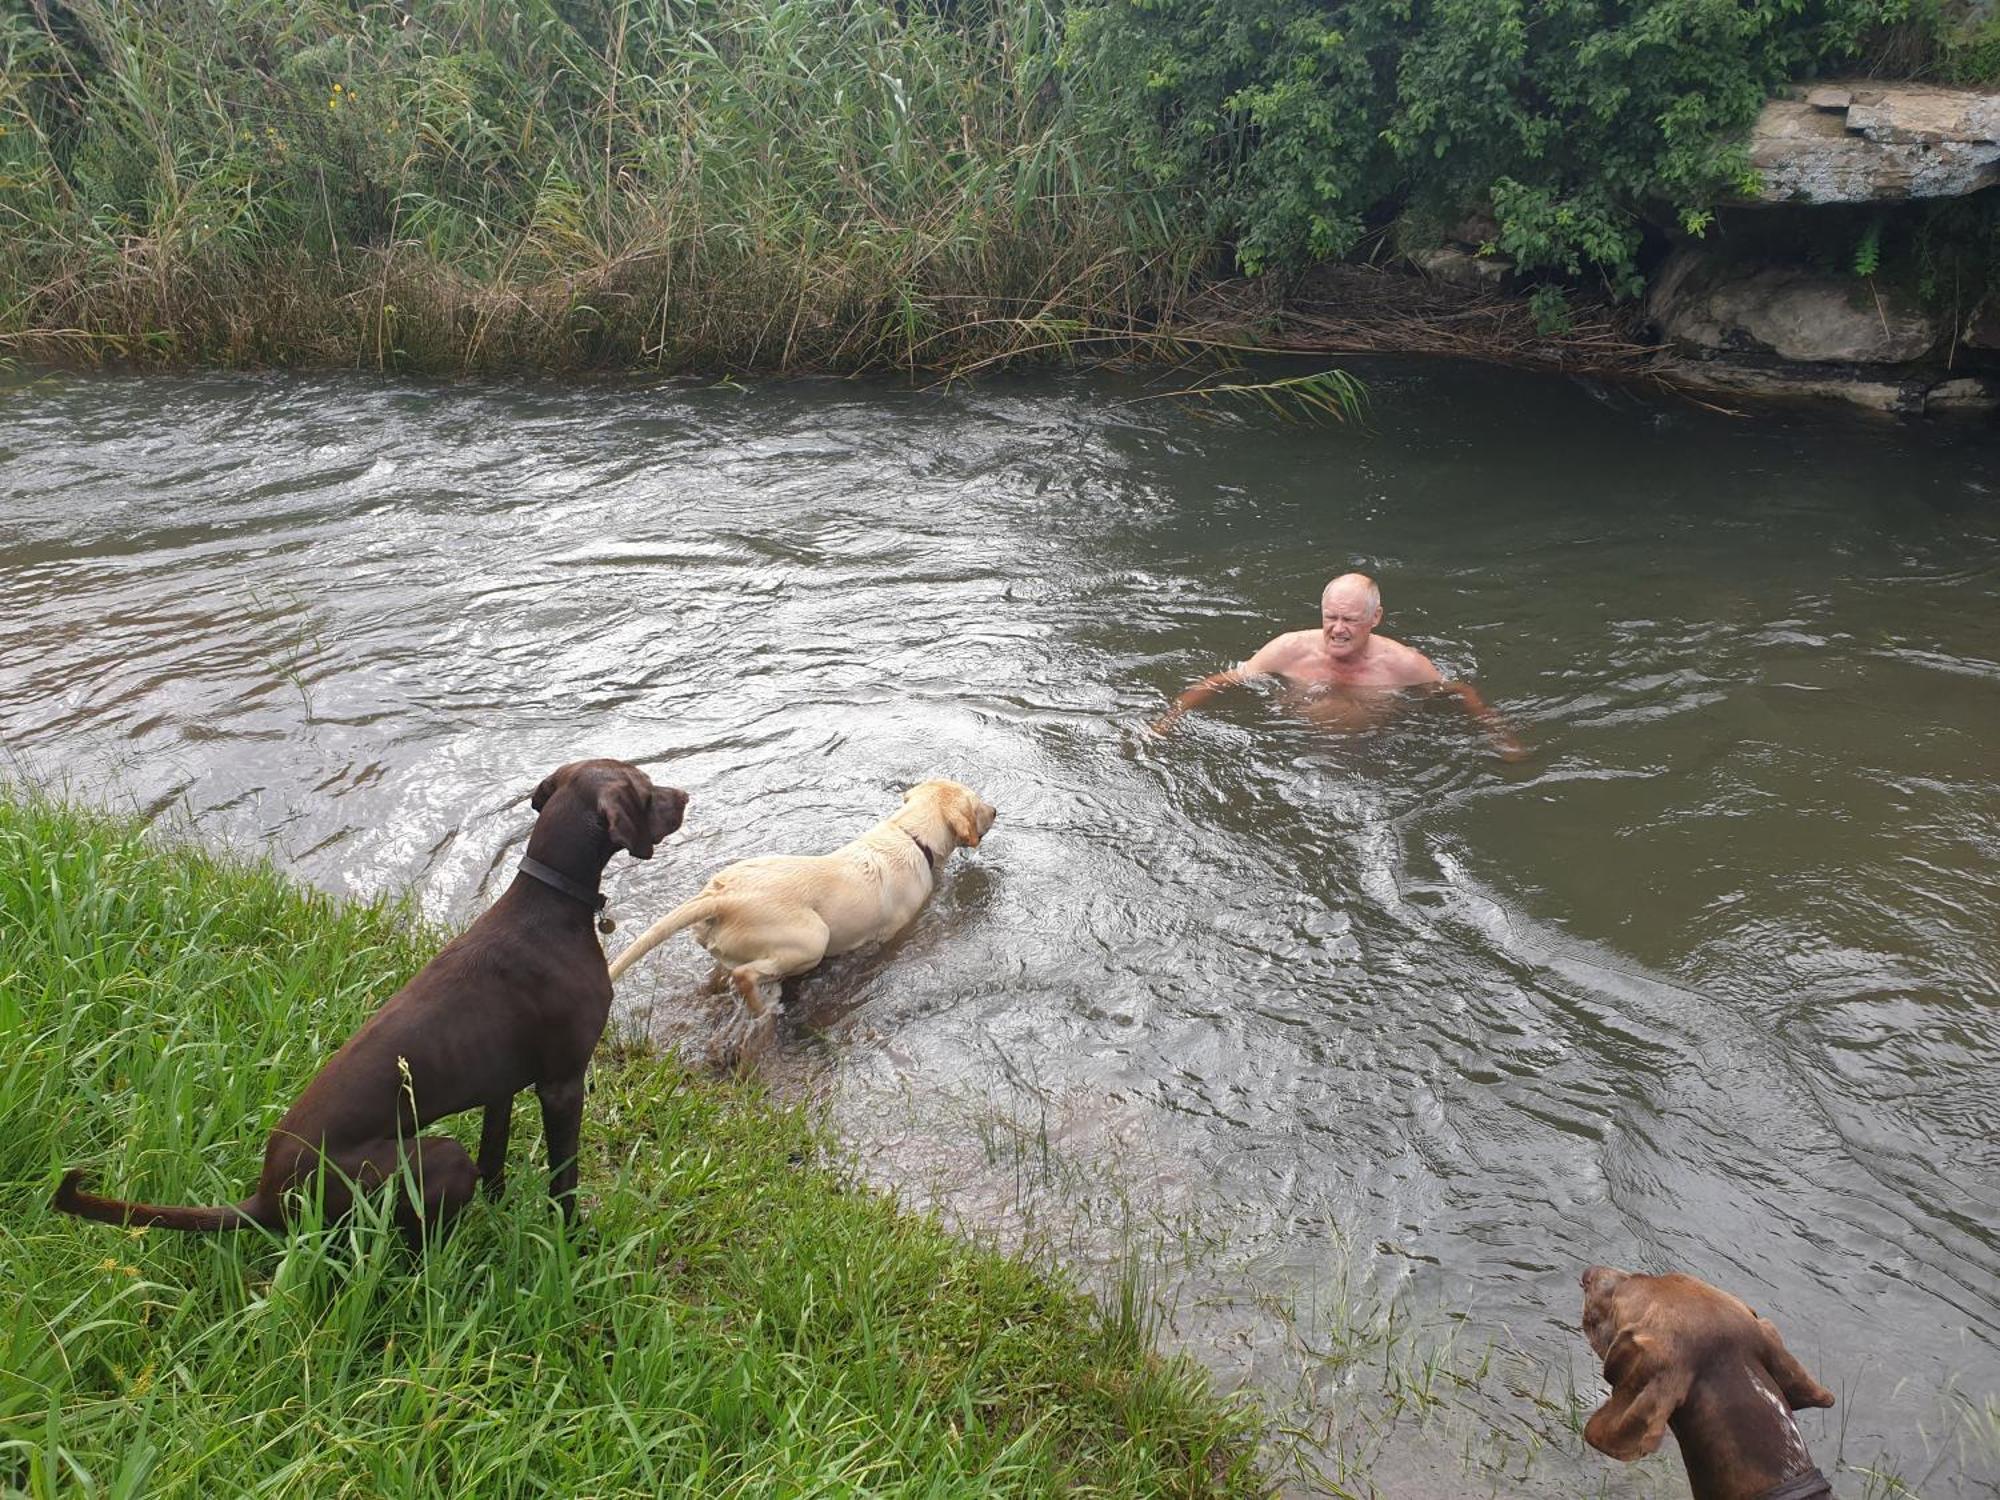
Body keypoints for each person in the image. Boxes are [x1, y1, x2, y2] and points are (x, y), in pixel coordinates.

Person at [1151, 572, 1525, 757]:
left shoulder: (1404, 664)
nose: (1337, 629)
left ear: (1375, 618)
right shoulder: (1289, 649)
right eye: (1331, 617)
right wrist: (1168, 719)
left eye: (1350, 620)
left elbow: (1458, 691)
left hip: (1373, 750)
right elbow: (1226, 679)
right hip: (1292, 747)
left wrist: (1501, 738)